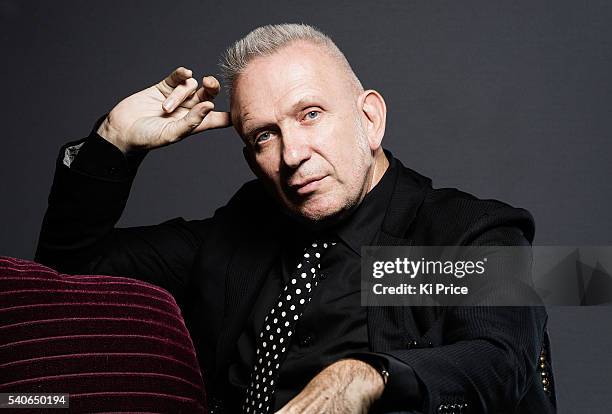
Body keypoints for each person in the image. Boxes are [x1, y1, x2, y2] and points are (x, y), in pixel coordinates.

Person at [36, 23, 556, 413]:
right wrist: (115, 140)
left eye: (310, 114)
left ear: (370, 118)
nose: (292, 155)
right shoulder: (240, 230)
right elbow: (69, 271)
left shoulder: (457, 235)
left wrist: (365, 376)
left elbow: (500, 361)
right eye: (264, 135)